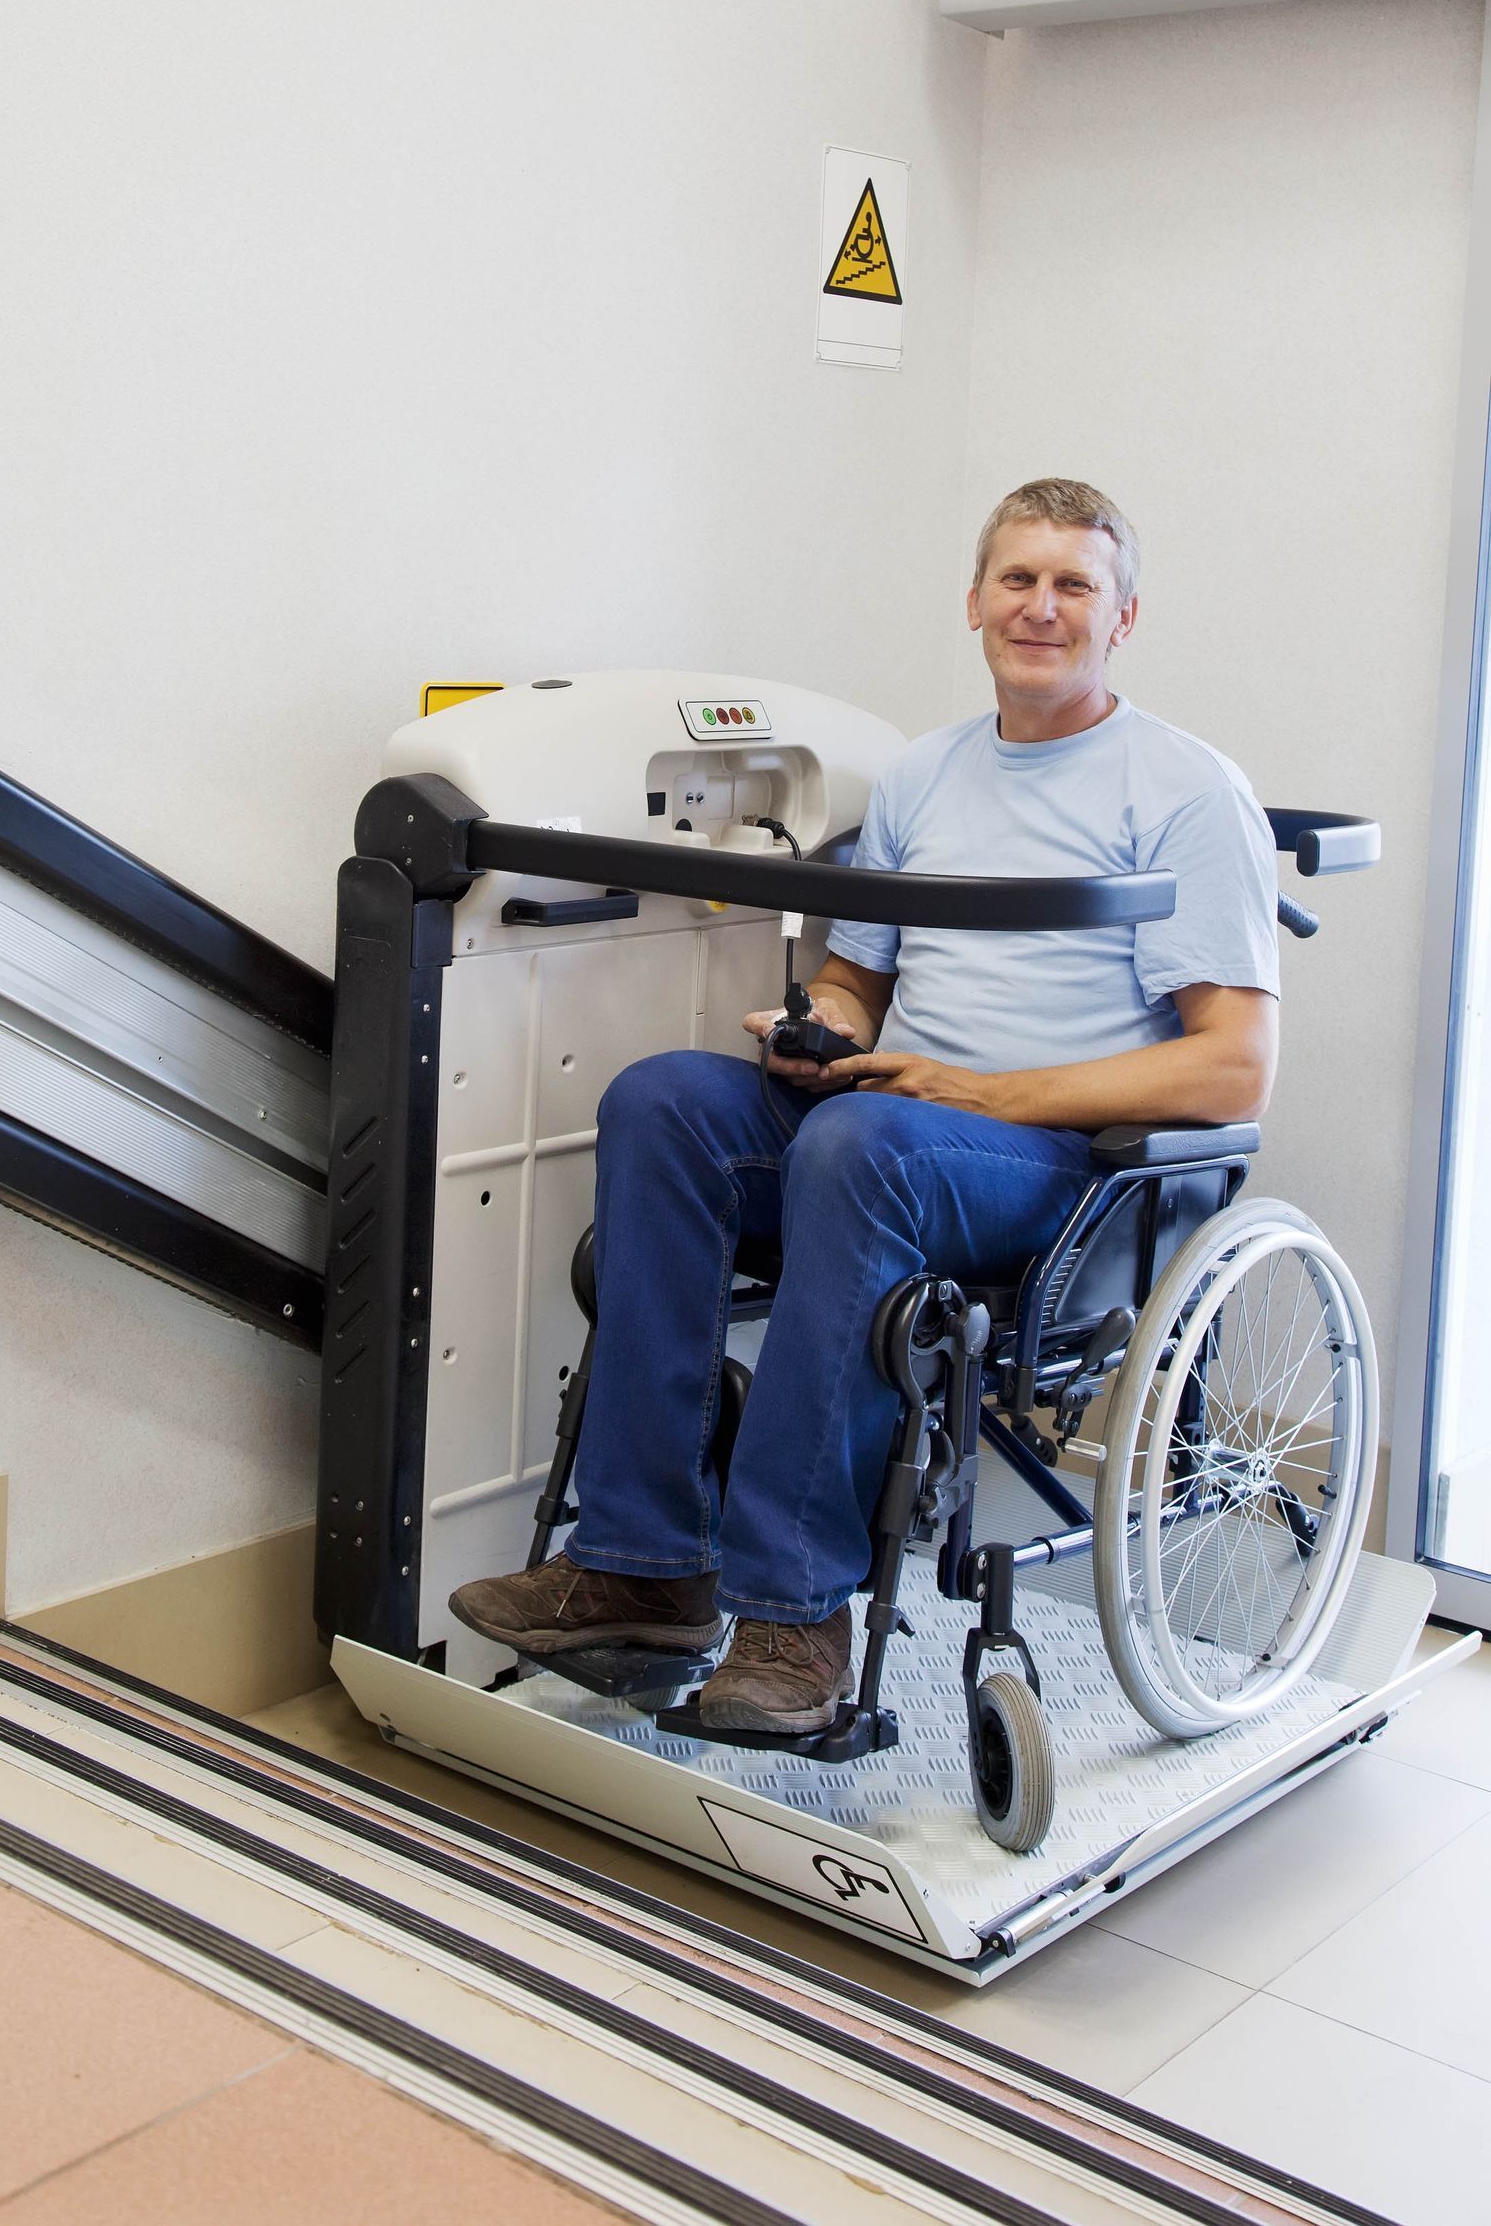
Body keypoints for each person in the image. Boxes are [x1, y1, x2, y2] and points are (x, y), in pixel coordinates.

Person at [449, 479, 1281, 1734]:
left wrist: (975, 1089)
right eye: (1018, 579)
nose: (1041, 608)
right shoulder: (926, 775)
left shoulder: (1184, 791)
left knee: (859, 1143)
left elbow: (1232, 1067)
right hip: (892, 1126)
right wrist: (820, 1032)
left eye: (1074, 586)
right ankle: (642, 1567)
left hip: (1059, 1163)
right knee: (664, 1100)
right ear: (974, 602)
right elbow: (857, 978)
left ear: (1123, 619)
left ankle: (796, 1616)